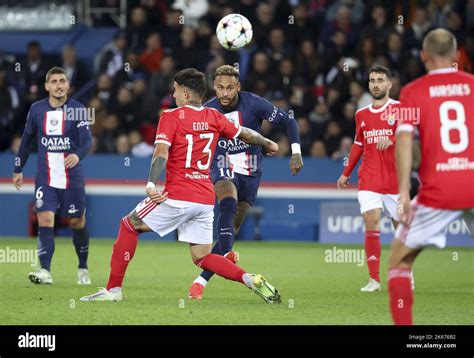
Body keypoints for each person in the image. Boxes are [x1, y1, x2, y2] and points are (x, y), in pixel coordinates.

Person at [80, 68, 281, 304]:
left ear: (185, 94)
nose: (173, 95)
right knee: (202, 257)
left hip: (176, 195)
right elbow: (244, 133)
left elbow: (161, 152)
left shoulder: (171, 117)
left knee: (129, 225)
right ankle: (248, 278)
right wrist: (266, 141)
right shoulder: (215, 117)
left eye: (175, 90)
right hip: (205, 199)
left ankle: (113, 291)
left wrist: (151, 183)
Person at [188, 65, 303, 299]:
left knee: (232, 227)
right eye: (220, 88)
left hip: (251, 170)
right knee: (227, 204)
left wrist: (296, 152)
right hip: (223, 164)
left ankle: (200, 281)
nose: (225, 93)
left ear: (238, 87)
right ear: (214, 88)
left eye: (230, 88)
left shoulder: (254, 104)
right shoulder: (208, 110)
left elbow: (289, 121)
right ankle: (226, 258)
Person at [388, 28, 474, 325]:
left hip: (441, 189)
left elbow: (403, 142)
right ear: (456, 55)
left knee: (399, 261)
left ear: (423, 56)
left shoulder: (413, 92)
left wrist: (402, 192)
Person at [13, 66, 93, 285]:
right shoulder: (37, 110)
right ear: (47, 86)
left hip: (72, 176)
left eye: (62, 81)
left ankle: (83, 267)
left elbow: (87, 140)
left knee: (77, 221)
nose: (59, 85)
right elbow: (27, 139)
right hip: (46, 176)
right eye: (54, 81)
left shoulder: (77, 109)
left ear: (68, 85)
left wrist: (77, 155)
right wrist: (18, 168)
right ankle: (45, 271)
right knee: (45, 219)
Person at [337, 65, 413, 292]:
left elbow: (414, 136)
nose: (376, 84)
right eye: (372, 80)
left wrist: (393, 138)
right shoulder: (361, 114)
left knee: (400, 228)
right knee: (371, 221)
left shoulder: (402, 109)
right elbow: (359, 144)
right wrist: (346, 172)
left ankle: (405, 273)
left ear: (390, 84)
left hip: (395, 179)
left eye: (380, 80)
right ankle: (374, 280)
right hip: (369, 178)